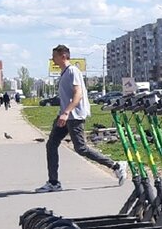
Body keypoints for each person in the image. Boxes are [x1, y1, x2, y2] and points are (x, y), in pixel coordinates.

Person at [36, 44, 125, 192]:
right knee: (51, 144)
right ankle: (53, 182)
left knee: (81, 148)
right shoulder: (64, 73)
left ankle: (116, 165)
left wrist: (66, 112)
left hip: (74, 116)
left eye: (55, 56)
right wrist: (62, 113)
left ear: (63, 56)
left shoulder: (73, 71)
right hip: (65, 115)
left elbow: (78, 94)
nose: (52, 59)